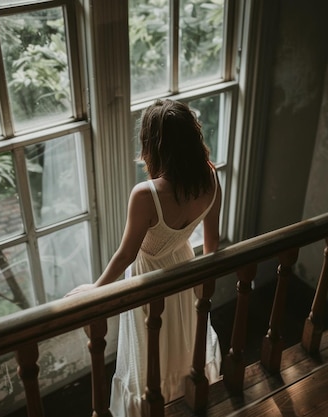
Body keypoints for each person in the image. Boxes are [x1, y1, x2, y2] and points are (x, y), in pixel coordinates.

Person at [66, 99, 222, 416]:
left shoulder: (146, 194)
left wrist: (95, 290)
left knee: (149, 353)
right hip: (185, 270)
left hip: (147, 279)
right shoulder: (209, 177)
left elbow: (126, 254)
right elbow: (212, 244)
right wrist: (201, 287)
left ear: (153, 145)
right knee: (182, 345)